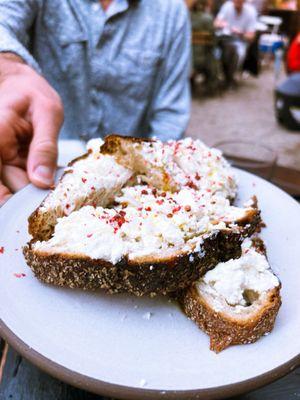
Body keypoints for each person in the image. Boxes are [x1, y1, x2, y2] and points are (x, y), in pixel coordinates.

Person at [0, 0, 191, 205]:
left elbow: (170, 115)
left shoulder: (170, 11)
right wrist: (9, 68)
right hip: (40, 177)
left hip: (130, 189)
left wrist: (154, 186)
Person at [214, 0, 257, 87]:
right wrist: (220, 24)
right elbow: (216, 23)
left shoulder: (251, 11)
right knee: (220, 50)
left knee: (234, 51)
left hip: (240, 42)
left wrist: (241, 33)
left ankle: (229, 78)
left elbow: (251, 36)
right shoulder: (227, 6)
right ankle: (227, 78)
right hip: (224, 39)